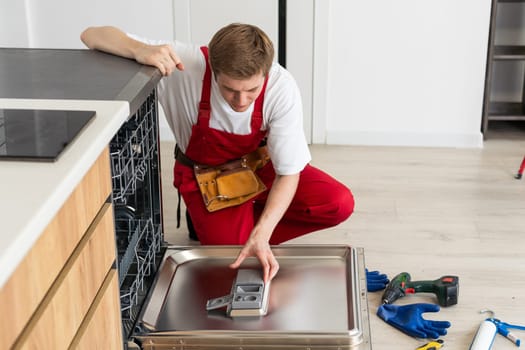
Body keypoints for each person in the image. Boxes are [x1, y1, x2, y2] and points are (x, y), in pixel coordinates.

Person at [81, 23, 354, 283]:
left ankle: (242, 228)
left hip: (258, 167)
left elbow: (288, 173)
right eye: (230, 89)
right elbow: (91, 35)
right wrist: (137, 49)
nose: (241, 101)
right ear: (212, 67)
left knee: (338, 202)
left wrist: (262, 233)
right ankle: (220, 225)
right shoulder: (184, 64)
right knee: (235, 265)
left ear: (266, 73)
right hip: (205, 178)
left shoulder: (281, 87)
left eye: (252, 90)